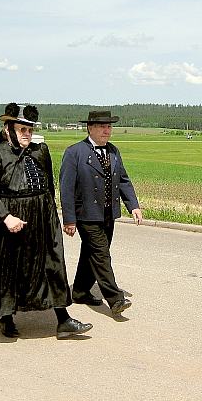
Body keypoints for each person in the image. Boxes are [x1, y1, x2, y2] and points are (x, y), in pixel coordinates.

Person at [0, 103, 92, 339]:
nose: (27, 134)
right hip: (11, 216)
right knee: (12, 268)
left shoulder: (40, 151)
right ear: (8, 129)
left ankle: (63, 319)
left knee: (52, 264)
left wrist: (53, 216)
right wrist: (6, 217)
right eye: (21, 129)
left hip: (42, 214)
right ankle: (7, 317)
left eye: (29, 129)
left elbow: (49, 185)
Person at [60, 110, 143, 316]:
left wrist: (133, 205)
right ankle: (115, 299)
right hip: (86, 215)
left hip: (108, 213)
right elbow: (66, 188)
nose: (107, 131)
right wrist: (69, 219)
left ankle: (79, 291)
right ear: (90, 128)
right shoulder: (75, 152)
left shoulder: (113, 151)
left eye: (109, 127)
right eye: (102, 127)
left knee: (91, 254)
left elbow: (123, 180)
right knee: (101, 254)